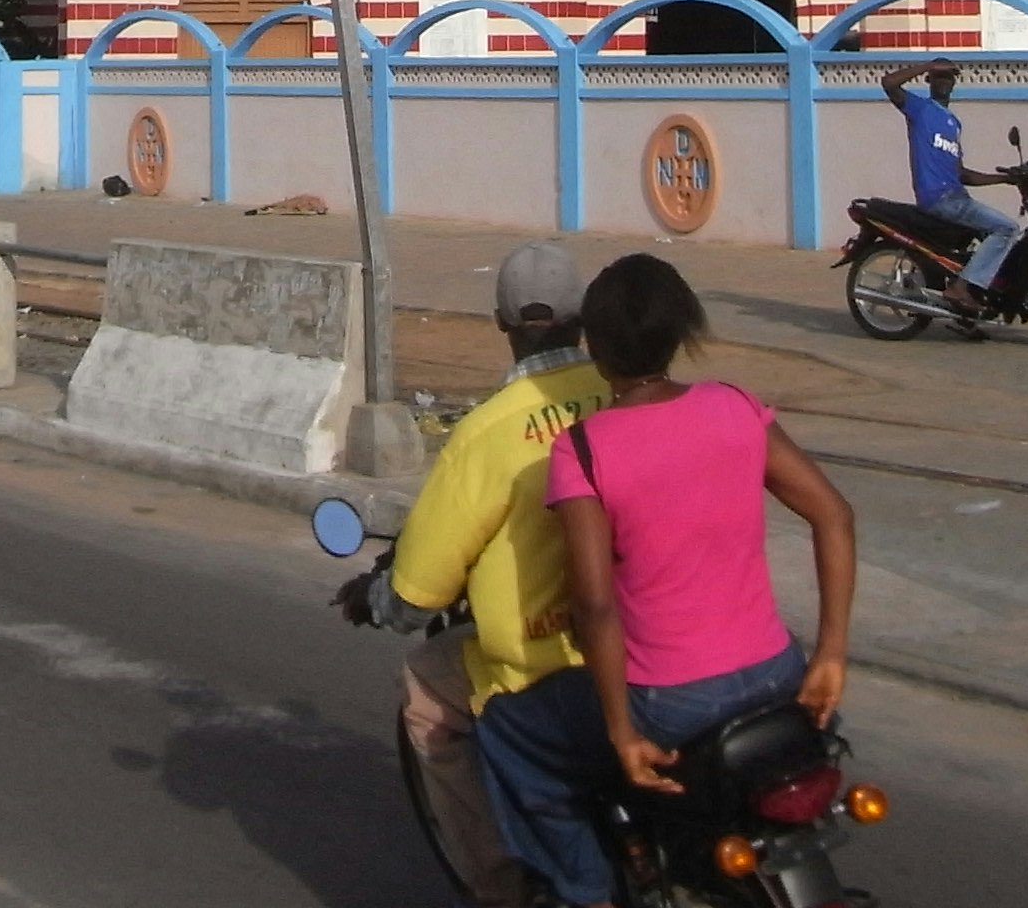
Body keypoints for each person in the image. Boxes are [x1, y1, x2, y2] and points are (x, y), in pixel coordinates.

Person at [472, 255, 858, 908]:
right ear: (683, 334)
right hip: (776, 673)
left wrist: (623, 733)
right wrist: (830, 653)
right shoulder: (734, 406)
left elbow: (594, 607)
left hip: (670, 702)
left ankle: (583, 890)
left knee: (508, 730)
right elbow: (834, 515)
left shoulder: (584, 448)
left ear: (594, 346)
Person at [333, 244, 611, 908]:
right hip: (642, 646)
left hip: (541, 664)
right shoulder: (627, 392)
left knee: (426, 687)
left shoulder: (486, 434)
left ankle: (497, 887)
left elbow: (415, 592)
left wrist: (372, 598)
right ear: (584, 316)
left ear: (500, 323)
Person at [883, 60, 1028, 314]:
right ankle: (960, 288)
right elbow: (889, 83)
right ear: (929, 82)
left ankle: (972, 309)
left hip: (957, 197)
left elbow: (962, 174)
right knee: (1007, 228)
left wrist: (1006, 179)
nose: (943, 82)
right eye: (938, 77)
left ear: (954, 83)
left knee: (984, 240)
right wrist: (929, 64)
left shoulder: (954, 124)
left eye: (948, 77)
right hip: (939, 199)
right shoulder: (920, 110)